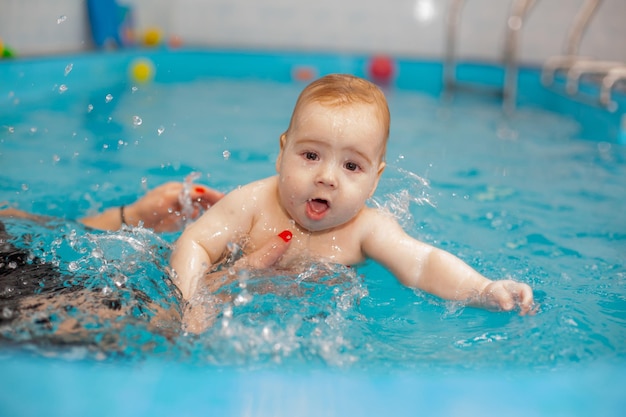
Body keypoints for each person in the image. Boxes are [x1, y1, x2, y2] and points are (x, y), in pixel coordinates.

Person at [170, 74, 536, 332]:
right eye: (311, 155)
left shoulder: (365, 229)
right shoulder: (253, 202)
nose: (328, 177)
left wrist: (483, 289)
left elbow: (423, 264)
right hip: (231, 295)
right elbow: (195, 242)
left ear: (374, 180)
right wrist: (191, 302)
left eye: (351, 165)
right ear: (282, 154)